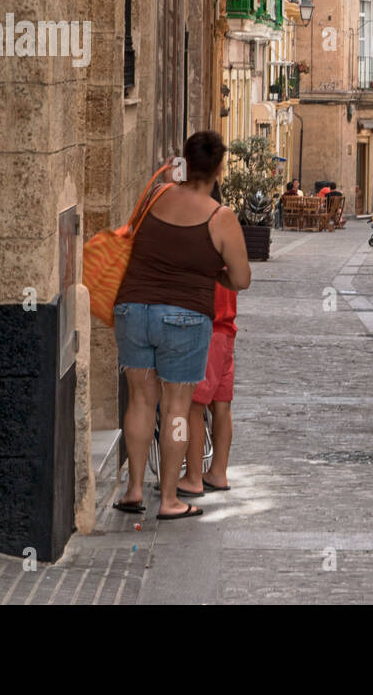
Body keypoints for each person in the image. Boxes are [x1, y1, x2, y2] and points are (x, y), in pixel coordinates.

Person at [111, 131, 251, 521]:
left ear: (184, 161)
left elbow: (134, 237)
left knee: (140, 400)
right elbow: (241, 278)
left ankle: (134, 490)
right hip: (184, 317)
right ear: (220, 169)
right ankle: (171, 499)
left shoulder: (155, 195)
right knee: (176, 408)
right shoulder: (219, 217)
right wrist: (212, 276)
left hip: (132, 309)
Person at [177, 181, 237, 499]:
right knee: (222, 406)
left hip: (208, 331)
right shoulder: (227, 235)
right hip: (227, 331)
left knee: (194, 407)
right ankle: (219, 473)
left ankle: (194, 477)